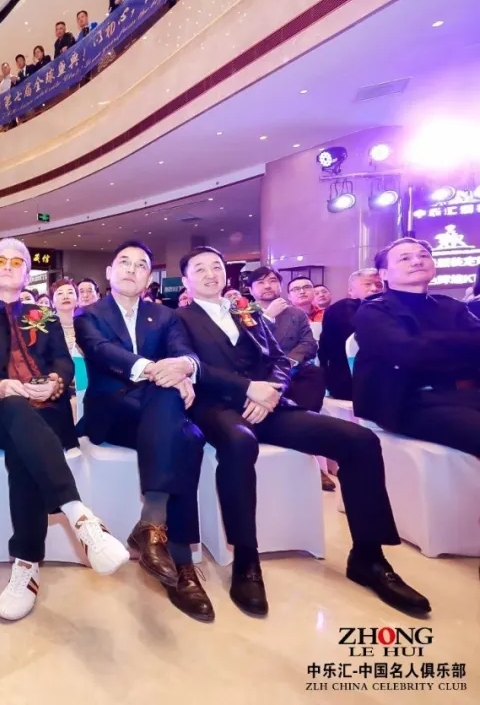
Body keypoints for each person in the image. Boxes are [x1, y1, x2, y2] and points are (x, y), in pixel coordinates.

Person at [174, 246, 429, 618]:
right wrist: (248, 389)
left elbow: (279, 358)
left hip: (269, 404)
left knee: (358, 440)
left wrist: (273, 390)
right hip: (217, 407)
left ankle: (369, 557)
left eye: (216, 266)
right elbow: (192, 365)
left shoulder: (247, 312)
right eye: (200, 269)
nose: (211, 274)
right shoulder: (178, 319)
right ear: (186, 280)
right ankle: (246, 559)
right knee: (240, 444)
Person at [0, 237, 128, 622]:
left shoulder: (43, 315)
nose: (8, 266)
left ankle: (27, 565)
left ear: (27, 273)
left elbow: (63, 362)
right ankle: (80, 516)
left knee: (25, 450)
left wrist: (54, 382)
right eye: (1, 260)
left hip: (48, 411)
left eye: (17, 262)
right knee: (15, 410)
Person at [75, 242, 208, 621]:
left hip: (157, 413)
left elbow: (185, 352)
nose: (131, 269)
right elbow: (102, 352)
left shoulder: (165, 316)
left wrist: (183, 367)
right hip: (111, 414)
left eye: (141, 265)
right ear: (109, 272)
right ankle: (179, 558)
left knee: (187, 436)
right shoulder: (89, 314)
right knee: (180, 423)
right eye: (124, 262)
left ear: (149, 276)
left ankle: (161, 539)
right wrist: (159, 371)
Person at [353, 237, 480, 457]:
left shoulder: (450, 306)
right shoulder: (374, 311)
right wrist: (460, 346)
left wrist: (429, 341)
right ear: (384, 274)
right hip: (405, 401)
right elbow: (407, 353)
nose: (417, 261)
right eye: (405, 258)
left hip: (461, 394)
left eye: (423, 256)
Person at [245, 267, 325, 413]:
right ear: (250, 290)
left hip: (293, 369)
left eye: (272, 281)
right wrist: (267, 317)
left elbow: (308, 343)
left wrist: (288, 363)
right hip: (260, 373)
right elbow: (247, 345)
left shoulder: (296, 313)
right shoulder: (243, 314)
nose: (267, 286)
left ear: (280, 286)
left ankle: (305, 419)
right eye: (261, 282)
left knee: (315, 373)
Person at [319, 268, 382, 400]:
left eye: (379, 285)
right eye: (368, 284)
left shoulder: (385, 308)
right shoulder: (342, 308)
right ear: (351, 290)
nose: (374, 289)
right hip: (350, 380)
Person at [50, 278, 80, 356]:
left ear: (77, 301)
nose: (65, 297)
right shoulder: (47, 328)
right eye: (60, 293)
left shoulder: (86, 327)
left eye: (70, 292)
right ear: (52, 303)